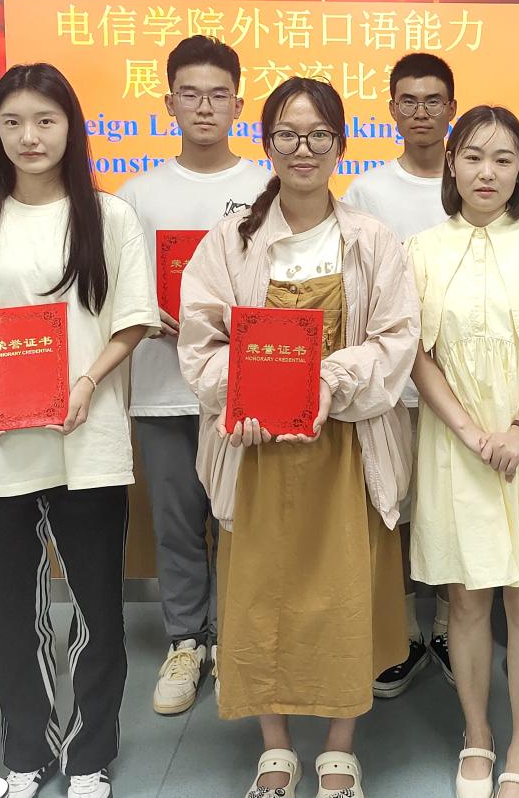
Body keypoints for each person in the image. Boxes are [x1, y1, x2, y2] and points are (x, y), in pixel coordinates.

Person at [0, 63, 160, 798]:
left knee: (97, 612)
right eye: (14, 122)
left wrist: (86, 384)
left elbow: (132, 320)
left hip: (87, 440)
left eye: (46, 121)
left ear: (71, 129)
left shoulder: (109, 217)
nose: (30, 136)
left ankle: (89, 757)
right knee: (10, 612)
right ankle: (27, 753)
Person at [178, 77, 417, 798]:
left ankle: (340, 748)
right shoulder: (230, 242)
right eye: (287, 134)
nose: (303, 149)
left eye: (318, 135)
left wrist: (325, 386)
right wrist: (247, 393)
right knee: (260, 598)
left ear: (340, 144)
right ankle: (276, 748)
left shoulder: (371, 239)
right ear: (267, 144)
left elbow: (396, 339)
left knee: (346, 596)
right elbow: (200, 342)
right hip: (255, 453)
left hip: (346, 448)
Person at [408, 105, 519, 798]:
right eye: (475, 157)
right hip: (455, 442)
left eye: (504, 158)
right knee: (466, 600)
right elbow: (418, 357)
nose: (488, 171)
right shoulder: (421, 250)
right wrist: (467, 431)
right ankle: (477, 735)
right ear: (452, 164)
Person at [115, 35, 269, 716]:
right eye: (190, 94)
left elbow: (282, 284)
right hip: (162, 385)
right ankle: (186, 641)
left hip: (244, 389)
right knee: (177, 524)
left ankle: (235, 642)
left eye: (218, 95)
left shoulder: (265, 187)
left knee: (240, 523)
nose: (205, 107)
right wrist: (145, 312)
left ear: (238, 103)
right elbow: (118, 284)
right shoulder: (136, 194)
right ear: (168, 102)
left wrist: (238, 321)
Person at [344, 51, 460, 694]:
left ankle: (446, 626)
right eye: (408, 101)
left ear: (451, 108)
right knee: (392, 511)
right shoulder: (367, 192)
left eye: (433, 100)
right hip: (387, 390)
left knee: (448, 510)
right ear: (391, 110)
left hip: (461, 388)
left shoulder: (473, 179)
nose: (421, 112)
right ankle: (403, 635)